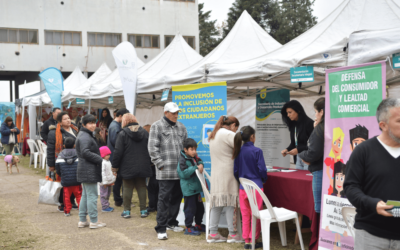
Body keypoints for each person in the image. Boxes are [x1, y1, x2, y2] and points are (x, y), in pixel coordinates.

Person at [344, 98, 400, 249]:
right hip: (370, 235)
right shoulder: (363, 151)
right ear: (383, 125)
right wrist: (372, 204)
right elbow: (350, 187)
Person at [148, 102, 188, 240]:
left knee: (177, 198)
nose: (176, 115)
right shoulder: (156, 126)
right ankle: (161, 228)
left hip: (180, 172)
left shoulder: (181, 127)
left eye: (177, 113)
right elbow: (152, 148)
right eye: (173, 113)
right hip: (165, 171)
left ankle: (172, 222)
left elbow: (186, 148)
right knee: (163, 200)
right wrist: (160, 165)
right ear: (165, 113)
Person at [207, 115, 243, 243]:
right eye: (236, 129)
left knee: (217, 204)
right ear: (233, 126)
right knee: (230, 203)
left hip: (216, 173)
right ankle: (233, 234)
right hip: (228, 173)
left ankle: (213, 233)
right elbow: (242, 148)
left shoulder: (214, 134)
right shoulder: (228, 134)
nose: (235, 132)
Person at [233, 126, 267, 249]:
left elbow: (235, 171)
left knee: (245, 215)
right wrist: (263, 179)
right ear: (252, 137)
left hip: (243, 188)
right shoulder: (257, 151)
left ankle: (247, 240)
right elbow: (262, 169)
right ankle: (254, 240)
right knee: (256, 214)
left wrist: (241, 181)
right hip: (256, 188)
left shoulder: (238, 151)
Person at [113, 114, 152, 219]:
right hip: (143, 164)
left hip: (127, 165)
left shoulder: (122, 134)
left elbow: (118, 152)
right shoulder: (144, 132)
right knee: (142, 187)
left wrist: (114, 166)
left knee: (127, 188)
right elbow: (150, 149)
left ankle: (126, 211)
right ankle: (143, 210)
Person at [76, 114, 106, 229]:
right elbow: (85, 152)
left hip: (86, 169)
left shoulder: (85, 134)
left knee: (85, 195)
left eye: (94, 122)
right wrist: (100, 159)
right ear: (83, 124)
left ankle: (83, 220)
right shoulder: (85, 136)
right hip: (89, 169)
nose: (93, 125)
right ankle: (94, 221)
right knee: (92, 196)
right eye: (90, 123)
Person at [47, 111, 79, 212]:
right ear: (60, 122)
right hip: (62, 161)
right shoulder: (54, 133)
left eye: (68, 118)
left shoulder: (75, 129)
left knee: (74, 181)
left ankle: (71, 201)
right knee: (62, 183)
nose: (68, 120)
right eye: (65, 119)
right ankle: (61, 203)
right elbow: (50, 149)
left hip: (75, 161)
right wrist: (51, 164)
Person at [298, 97, 325, 214]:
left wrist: (301, 154)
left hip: (319, 170)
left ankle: (319, 232)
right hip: (328, 169)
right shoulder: (327, 126)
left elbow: (312, 154)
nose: (315, 115)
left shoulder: (320, 128)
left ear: (321, 112)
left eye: (315, 112)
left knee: (319, 208)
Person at [177, 138, 205, 236]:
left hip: (196, 189)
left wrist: (200, 164)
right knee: (190, 209)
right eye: (192, 149)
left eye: (195, 149)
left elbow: (200, 161)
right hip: (189, 190)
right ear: (185, 150)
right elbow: (183, 174)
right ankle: (188, 228)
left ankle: (198, 224)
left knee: (200, 209)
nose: (194, 152)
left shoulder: (195, 157)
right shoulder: (182, 160)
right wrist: (195, 167)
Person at [280, 100, 314, 170]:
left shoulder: (309, 123)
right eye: (287, 113)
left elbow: (313, 145)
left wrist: (298, 149)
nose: (288, 115)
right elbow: (294, 143)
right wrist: (287, 149)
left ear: (298, 111)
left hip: (308, 159)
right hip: (298, 158)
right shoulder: (293, 125)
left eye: (290, 112)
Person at [108, 108, 130, 207]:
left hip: (115, 155)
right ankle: (118, 200)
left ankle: (119, 199)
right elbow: (117, 143)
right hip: (116, 156)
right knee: (117, 180)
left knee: (119, 179)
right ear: (120, 116)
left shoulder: (115, 126)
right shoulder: (115, 127)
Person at [55, 137, 82, 217]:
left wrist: (62, 176)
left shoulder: (60, 155)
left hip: (66, 181)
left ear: (64, 145)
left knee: (66, 197)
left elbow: (58, 169)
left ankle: (67, 211)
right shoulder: (78, 154)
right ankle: (82, 210)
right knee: (79, 195)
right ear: (74, 145)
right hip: (77, 180)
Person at [143, 124, 158, 213]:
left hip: (152, 168)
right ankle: (155, 206)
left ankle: (152, 206)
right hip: (158, 168)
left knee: (151, 188)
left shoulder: (148, 143)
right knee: (157, 189)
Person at [99, 146, 116, 213]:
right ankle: (104, 207)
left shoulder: (108, 161)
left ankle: (107, 205)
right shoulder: (102, 163)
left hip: (108, 181)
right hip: (104, 182)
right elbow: (103, 173)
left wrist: (113, 178)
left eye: (109, 154)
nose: (109, 156)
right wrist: (105, 182)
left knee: (108, 194)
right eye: (107, 155)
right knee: (104, 194)